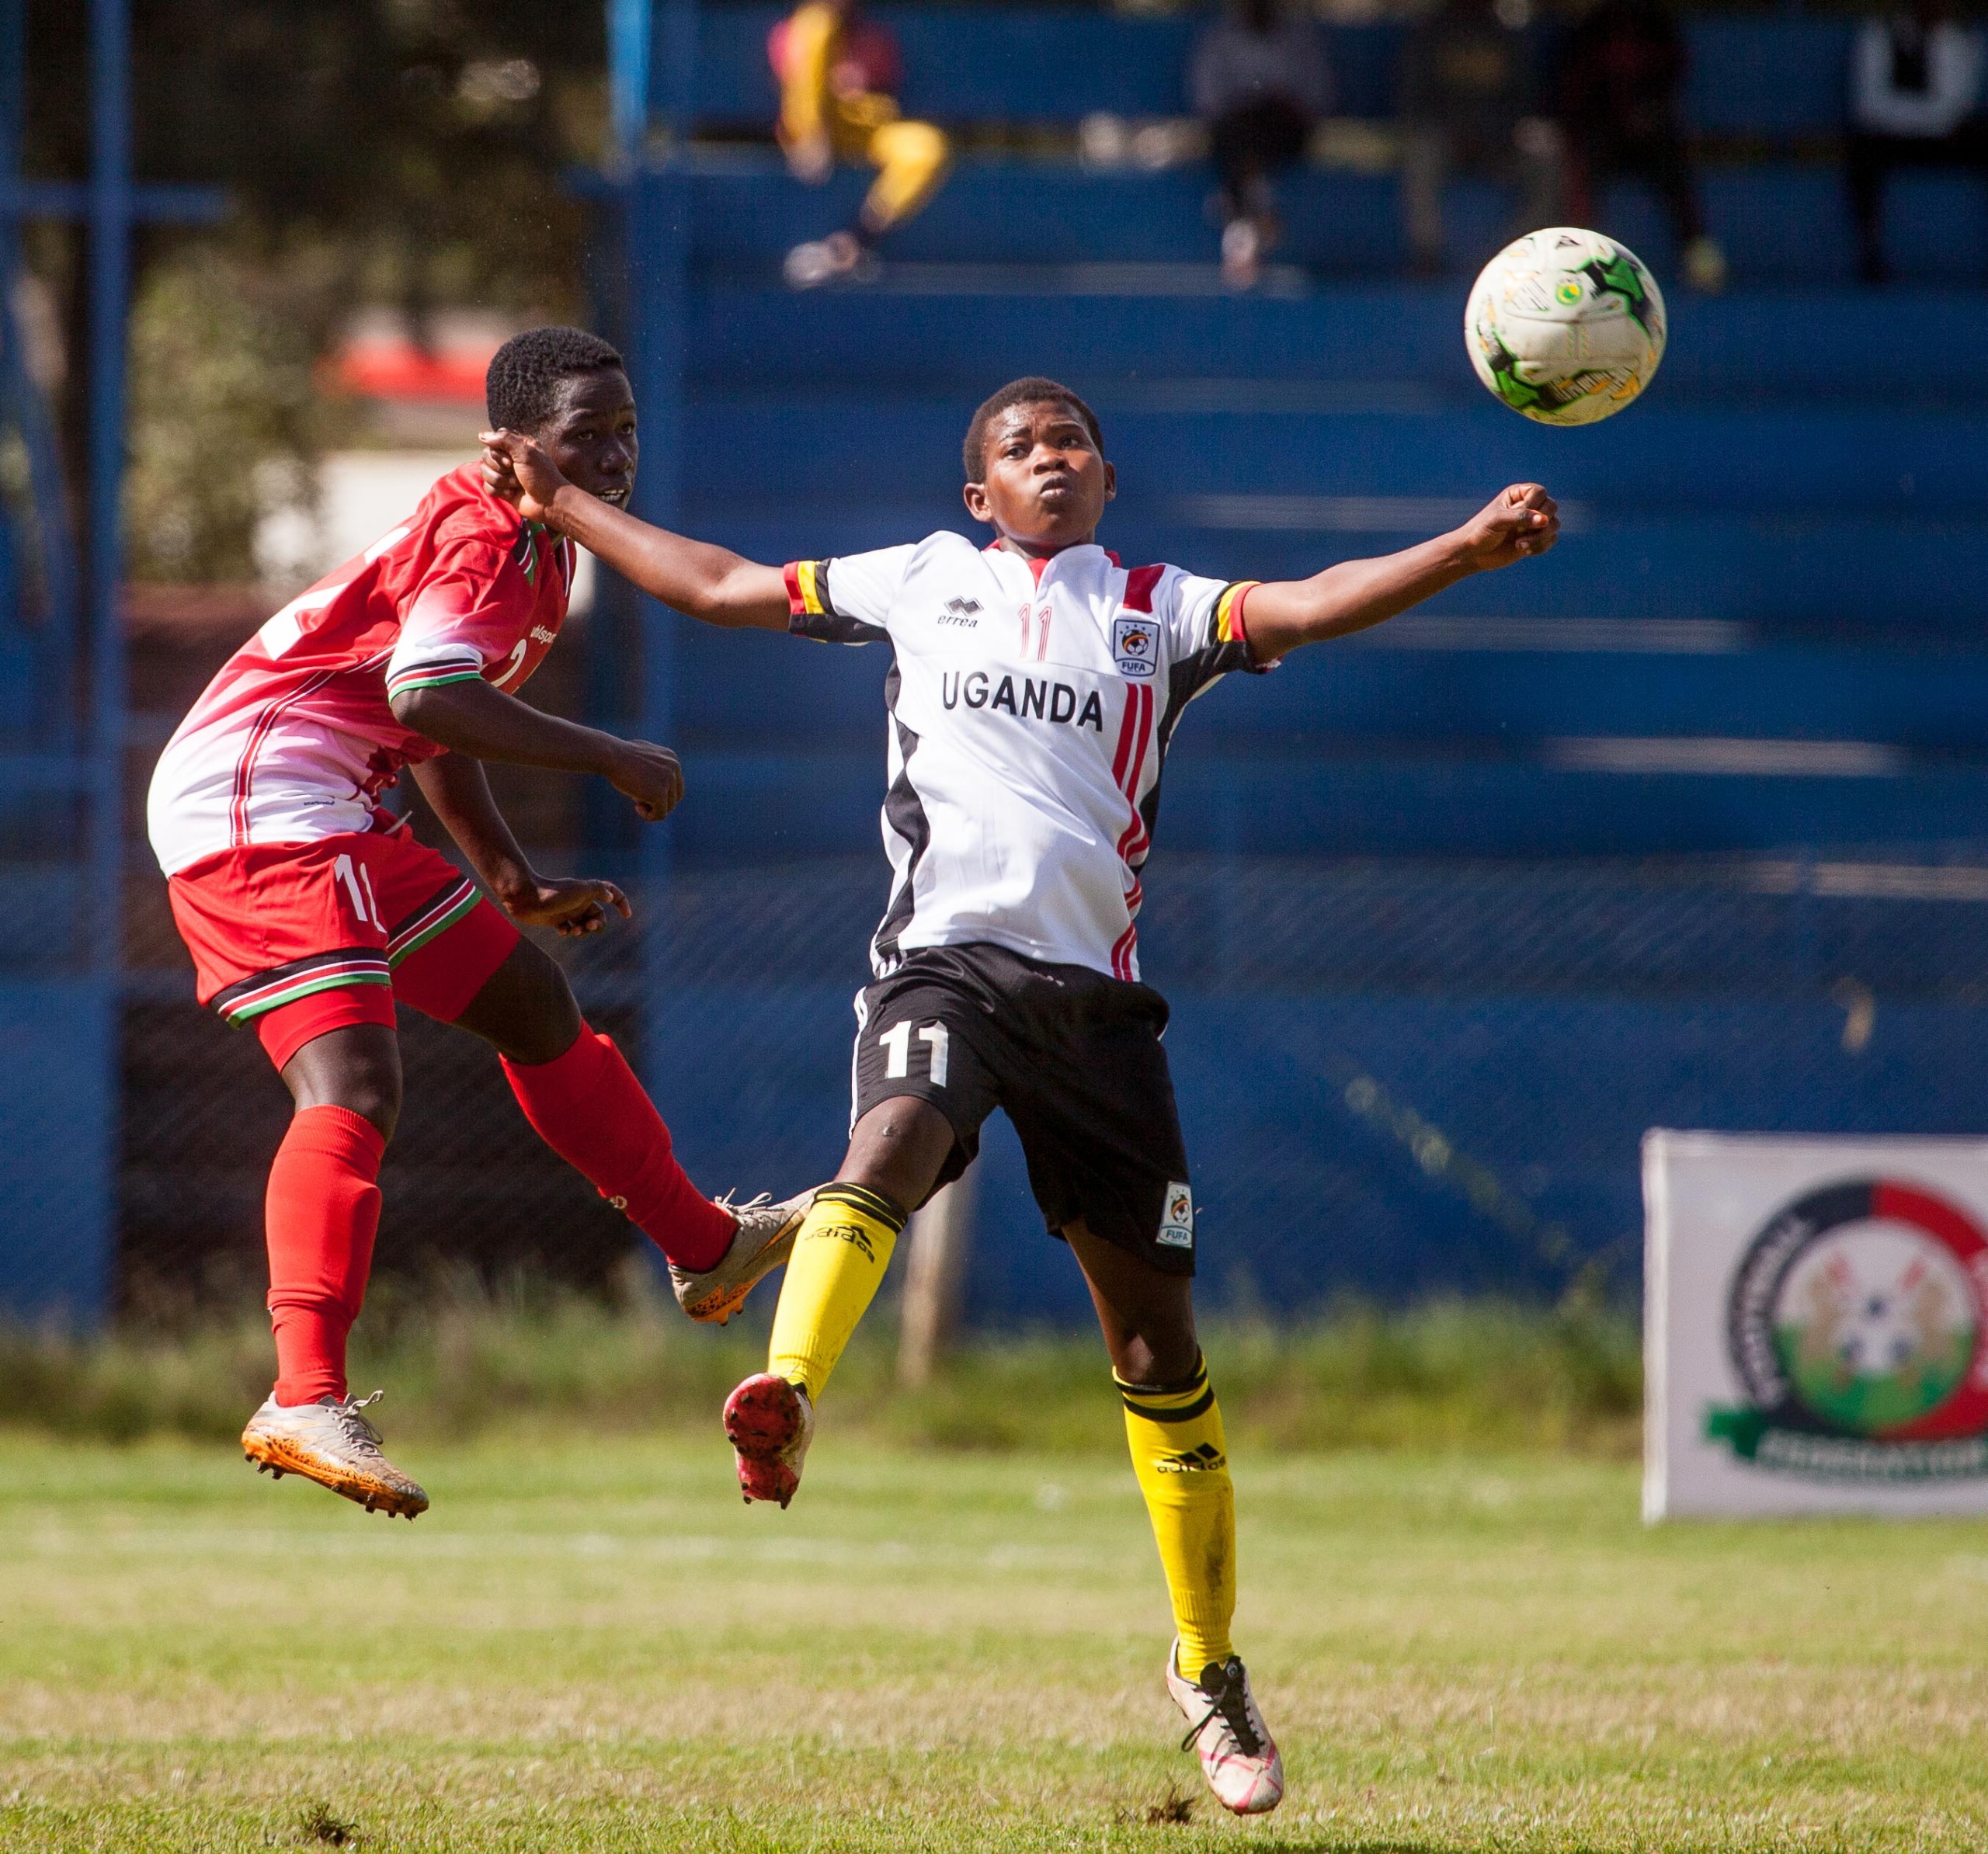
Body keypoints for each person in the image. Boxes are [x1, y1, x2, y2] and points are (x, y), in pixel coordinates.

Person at [481, 377, 1559, 1815]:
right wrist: (562, 500)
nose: (1050, 458)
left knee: (1158, 1355)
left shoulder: (1162, 606)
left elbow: (1307, 601)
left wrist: (1460, 549)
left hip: (1098, 1015)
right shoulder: (924, 578)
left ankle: (1208, 1668)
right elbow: (727, 584)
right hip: (944, 970)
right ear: (979, 492)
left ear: (1107, 478)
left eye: (1071, 444)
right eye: (1018, 447)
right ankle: (786, 1396)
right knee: (885, 1152)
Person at [146, 326, 810, 1521]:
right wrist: (607, 755)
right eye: (581, 437)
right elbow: (428, 695)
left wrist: (507, 878)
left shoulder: (539, 544)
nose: (610, 457)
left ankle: (704, 1247)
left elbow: (432, 715)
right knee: (352, 1087)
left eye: (623, 433)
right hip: (264, 794)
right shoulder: (489, 536)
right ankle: (303, 1393)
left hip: (335, 794)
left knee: (531, 1005)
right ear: (512, 450)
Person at [771, 0, 951, 288]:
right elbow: (795, 82)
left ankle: (854, 240)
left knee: (925, 148)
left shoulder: (872, 34)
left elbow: (884, 91)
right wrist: (812, 135)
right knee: (818, 24)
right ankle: (812, 140)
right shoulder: (807, 27)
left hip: (861, 132)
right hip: (811, 132)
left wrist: (859, 87)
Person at [1558, 0, 1726, 292]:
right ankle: (1577, 258)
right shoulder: (1591, 27)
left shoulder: (1657, 24)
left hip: (1651, 130)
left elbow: (1674, 70)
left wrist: (1648, 113)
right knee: (1582, 172)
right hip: (1601, 132)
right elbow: (1575, 85)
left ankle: (1698, 252)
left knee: (1674, 171)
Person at [1399, 0, 1562, 277]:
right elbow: (1413, 101)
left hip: (1499, 142)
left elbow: (1524, 100)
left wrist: (1493, 132)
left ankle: (1513, 254)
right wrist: (1456, 131)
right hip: (1446, 141)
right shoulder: (1431, 33)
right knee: (1421, 151)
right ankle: (1428, 254)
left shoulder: (1506, 35)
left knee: (1547, 157)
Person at [1190, 0, 1334, 288]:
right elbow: (1207, 99)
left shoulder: (1300, 39)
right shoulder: (1220, 39)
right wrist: (1245, 102)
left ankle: (1242, 222)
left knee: (1259, 132)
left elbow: (1319, 96)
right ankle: (1259, 215)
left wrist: (1281, 102)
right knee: (1242, 134)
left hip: (1283, 131)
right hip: (1237, 130)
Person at [1846, 0, 1988, 284]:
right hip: (1893, 140)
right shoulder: (1877, 34)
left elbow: (1955, 106)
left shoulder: (1956, 39)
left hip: (1942, 139)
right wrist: (1920, 121)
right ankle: (1870, 255)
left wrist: (1912, 119)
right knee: (1861, 151)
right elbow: (1868, 105)